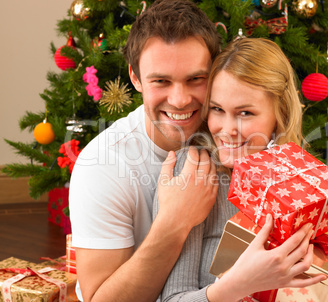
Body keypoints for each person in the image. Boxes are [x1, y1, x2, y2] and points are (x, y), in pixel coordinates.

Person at [153, 37, 328, 301]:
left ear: (278, 116)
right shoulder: (190, 174)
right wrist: (237, 285)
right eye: (217, 109)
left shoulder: (298, 179)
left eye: (245, 113)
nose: (227, 130)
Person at [69, 1, 222, 301]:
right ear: (136, 77)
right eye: (161, 81)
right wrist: (176, 221)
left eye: (196, 79)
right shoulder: (102, 165)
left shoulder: (231, 137)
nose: (179, 100)